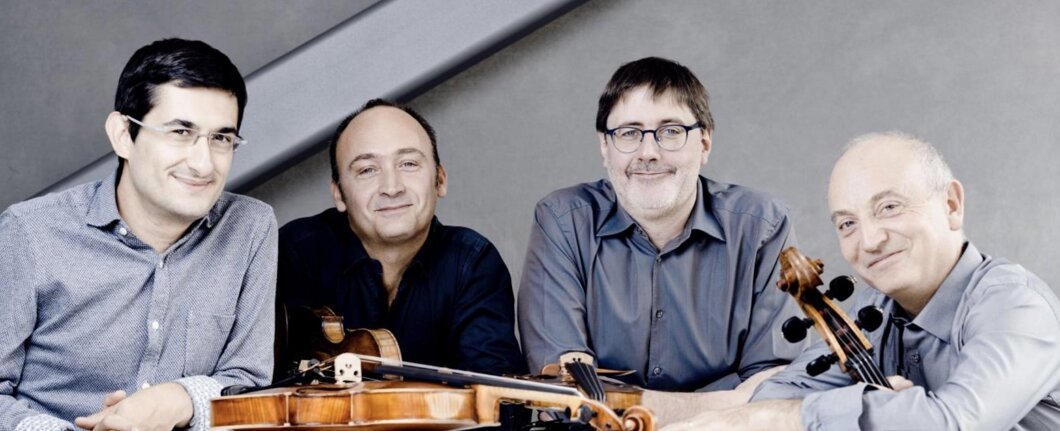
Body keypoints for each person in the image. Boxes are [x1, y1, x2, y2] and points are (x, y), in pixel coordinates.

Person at [666, 132, 1060, 430]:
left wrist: (796, 417)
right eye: (848, 224)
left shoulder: (1015, 305)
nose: (870, 241)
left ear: (951, 205)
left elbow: (953, 422)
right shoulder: (873, 313)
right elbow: (775, 395)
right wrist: (873, 406)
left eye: (889, 207)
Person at [0, 39, 276, 431]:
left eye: (221, 139)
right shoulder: (29, 233)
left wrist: (182, 399)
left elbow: (249, 383)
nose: (203, 164)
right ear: (123, 135)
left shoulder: (250, 227)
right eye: (180, 131)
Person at [517, 57, 805, 419]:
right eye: (628, 133)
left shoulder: (763, 226)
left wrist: (628, 404)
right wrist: (722, 403)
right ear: (605, 146)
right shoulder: (563, 221)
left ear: (704, 143)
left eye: (670, 131)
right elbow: (564, 393)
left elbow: (776, 391)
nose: (649, 153)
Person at [276, 99, 526, 377]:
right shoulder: (296, 252)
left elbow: (496, 393)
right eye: (367, 170)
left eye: (408, 163)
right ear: (339, 194)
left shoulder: (472, 263)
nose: (391, 187)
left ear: (440, 180)